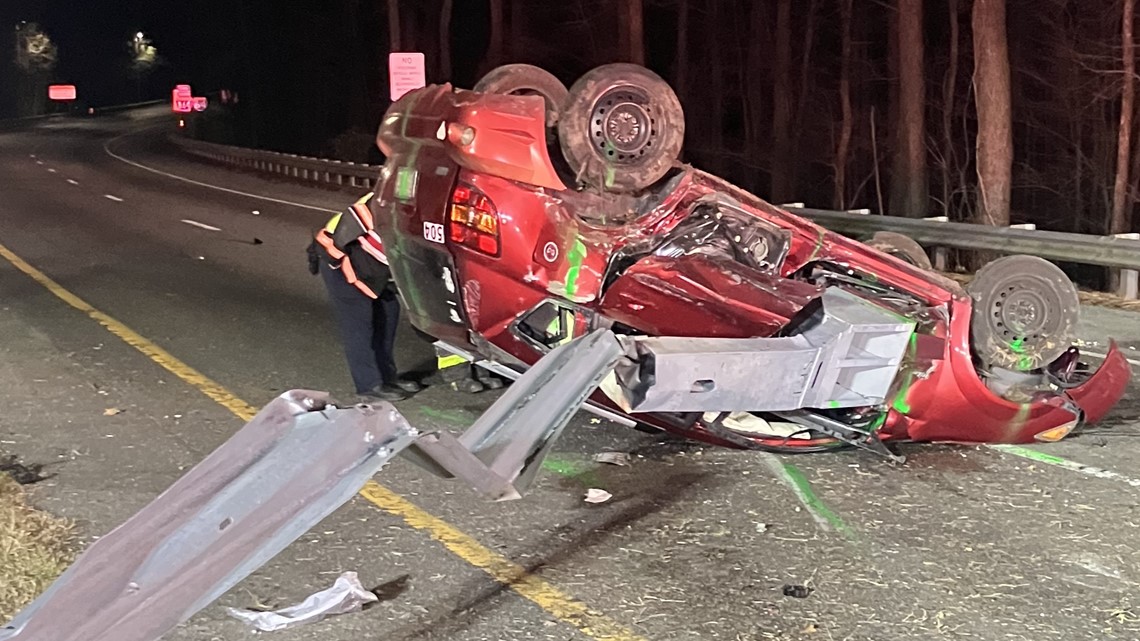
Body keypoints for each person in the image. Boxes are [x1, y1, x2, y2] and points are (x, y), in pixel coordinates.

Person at [309, 192, 423, 402]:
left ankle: (387, 377)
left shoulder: (417, 215)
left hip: (373, 272)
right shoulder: (383, 204)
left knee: (387, 316)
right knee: (360, 326)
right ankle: (369, 385)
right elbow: (344, 232)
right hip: (344, 267)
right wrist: (331, 260)